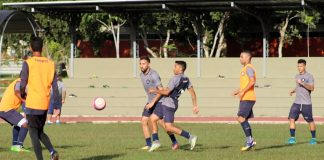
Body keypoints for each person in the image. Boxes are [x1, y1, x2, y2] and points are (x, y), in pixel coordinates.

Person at [20, 37, 59, 160]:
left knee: (33, 134)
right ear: (42, 48)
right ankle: (53, 152)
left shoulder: (28, 63)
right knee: (40, 131)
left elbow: (22, 84)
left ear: (31, 48)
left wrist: (22, 95)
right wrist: (57, 106)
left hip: (32, 104)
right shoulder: (51, 64)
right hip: (44, 105)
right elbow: (56, 87)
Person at [149, 61, 199, 152]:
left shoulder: (175, 78)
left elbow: (167, 92)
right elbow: (193, 93)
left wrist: (154, 91)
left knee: (168, 127)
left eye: (175, 66)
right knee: (152, 118)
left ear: (180, 69)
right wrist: (195, 105)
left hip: (169, 104)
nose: (173, 68)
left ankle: (190, 136)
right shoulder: (186, 79)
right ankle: (156, 141)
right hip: (167, 102)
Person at [139, 56, 179, 151]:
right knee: (144, 121)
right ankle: (149, 144)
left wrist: (153, 102)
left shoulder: (154, 74)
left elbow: (161, 90)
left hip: (159, 101)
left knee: (162, 124)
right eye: (140, 64)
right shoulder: (141, 74)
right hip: (150, 102)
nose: (141, 66)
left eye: (143, 63)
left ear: (149, 64)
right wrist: (150, 101)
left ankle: (174, 142)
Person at [288, 59, 317, 145]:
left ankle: (313, 139)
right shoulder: (297, 76)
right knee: (291, 118)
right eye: (298, 66)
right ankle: (292, 138)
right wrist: (294, 90)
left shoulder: (309, 76)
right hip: (297, 102)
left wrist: (303, 83)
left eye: (300, 66)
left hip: (306, 104)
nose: (299, 68)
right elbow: (298, 86)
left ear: (304, 66)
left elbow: (312, 88)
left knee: (310, 121)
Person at [232, 51, 257, 151]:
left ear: (248, 57)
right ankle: (250, 141)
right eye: (240, 57)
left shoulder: (249, 68)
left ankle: (250, 141)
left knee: (241, 118)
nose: (240, 58)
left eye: (242, 57)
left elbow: (252, 81)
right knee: (243, 119)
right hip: (245, 97)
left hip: (248, 97)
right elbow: (246, 83)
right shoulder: (244, 68)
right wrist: (238, 91)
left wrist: (242, 92)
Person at [0, 78, 30, 152]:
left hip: (5, 109)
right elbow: (17, 92)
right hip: (7, 109)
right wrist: (25, 100)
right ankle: (19, 146)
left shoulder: (22, 83)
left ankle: (14, 146)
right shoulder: (19, 82)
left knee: (18, 125)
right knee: (25, 124)